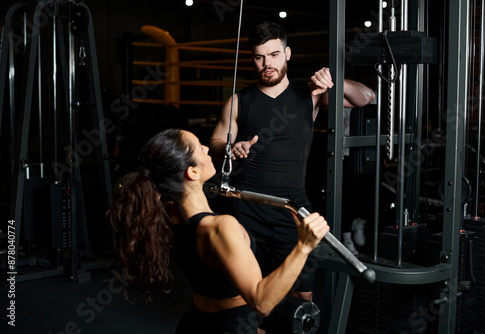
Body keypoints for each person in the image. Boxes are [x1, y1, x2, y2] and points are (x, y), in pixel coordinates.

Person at [209, 21, 375, 302]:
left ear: (287, 54)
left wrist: (336, 79)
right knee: (251, 297)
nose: (267, 64)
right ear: (253, 59)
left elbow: (366, 98)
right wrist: (230, 147)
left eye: (274, 55)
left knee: (301, 297)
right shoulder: (239, 101)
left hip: (292, 208)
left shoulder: (310, 93)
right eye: (259, 57)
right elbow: (214, 143)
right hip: (248, 207)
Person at [107, 128, 329, 334]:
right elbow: (262, 303)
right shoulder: (220, 227)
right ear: (193, 172)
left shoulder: (164, 214)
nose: (206, 148)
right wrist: (304, 246)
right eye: (199, 147)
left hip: (195, 323)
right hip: (231, 326)